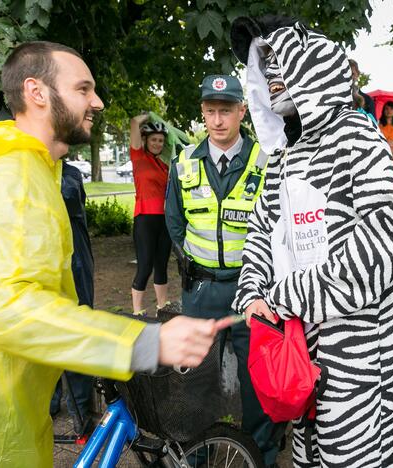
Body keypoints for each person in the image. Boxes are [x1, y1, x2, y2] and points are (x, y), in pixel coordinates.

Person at [0, 41, 227, 466]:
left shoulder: (26, 167)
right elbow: (13, 309)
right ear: (37, 92)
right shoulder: (14, 176)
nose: (96, 101)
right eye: (82, 89)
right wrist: (146, 341)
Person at [231, 16, 393, 467]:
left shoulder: (355, 135)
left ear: (313, 68)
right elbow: (262, 231)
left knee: (354, 454)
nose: (273, 76)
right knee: (310, 451)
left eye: (281, 63)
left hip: (357, 341)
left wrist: (293, 293)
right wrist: (254, 291)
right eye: (266, 67)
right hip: (298, 337)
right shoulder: (282, 156)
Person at [164, 74, 278, 466]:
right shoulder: (183, 164)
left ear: (241, 112)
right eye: (211, 111)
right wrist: (194, 263)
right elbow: (174, 223)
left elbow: (279, 226)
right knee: (196, 384)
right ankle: (198, 457)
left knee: (257, 384)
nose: (217, 120)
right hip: (202, 292)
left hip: (252, 292)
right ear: (202, 113)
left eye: (225, 111)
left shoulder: (265, 162)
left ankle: (259, 456)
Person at [49, 160, 96, 437]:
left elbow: (68, 200)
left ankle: (81, 408)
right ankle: (51, 402)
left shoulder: (69, 176)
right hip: (47, 258)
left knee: (78, 331)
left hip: (74, 259)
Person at [129, 114, 172, 314]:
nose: (157, 143)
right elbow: (135, 123)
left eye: (161, 140)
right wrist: (152, 115)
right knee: (145, 266)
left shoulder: (164, 165)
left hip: (163, 220)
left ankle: (162, 306)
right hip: (145, 218)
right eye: (154, 139)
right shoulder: (138, 156)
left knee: (161, 265)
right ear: (145, 140)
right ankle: (137, 311)